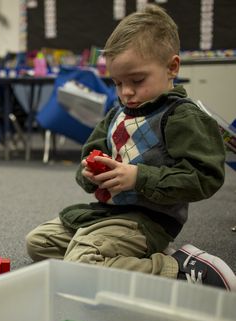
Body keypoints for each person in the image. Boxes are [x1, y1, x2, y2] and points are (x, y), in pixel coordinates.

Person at [25, 5, 236, 291]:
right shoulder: (117, 113)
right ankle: (118, 259)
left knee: (80, 264)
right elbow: (89, 158)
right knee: (38, 243)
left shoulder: (181, 116)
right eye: (117, 83)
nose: (126, 92)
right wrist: (88, 171)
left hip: (147, 222)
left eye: (137, 81)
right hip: (105, 215)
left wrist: (138, 177)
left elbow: (205, 177)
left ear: (172, 67)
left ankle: (176, 270)